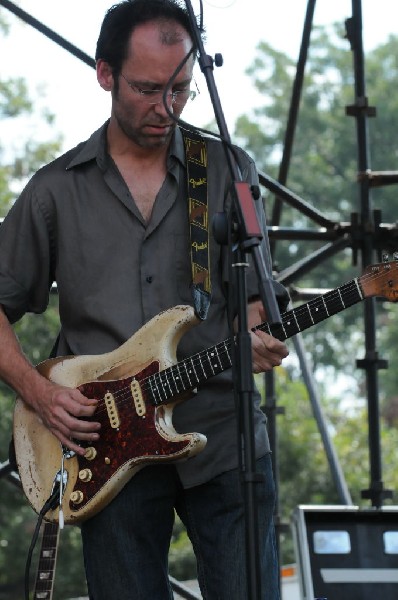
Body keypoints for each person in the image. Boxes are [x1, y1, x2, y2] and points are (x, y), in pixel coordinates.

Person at [0, 1, 289, 598]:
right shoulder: (56, 191)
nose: (166, 107)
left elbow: (260, 296)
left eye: (181, 89)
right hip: (107, 448)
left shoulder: (228, 169)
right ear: (105, 74)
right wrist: (40, 394)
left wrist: (259, 332)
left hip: (224, 438)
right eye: (147, 88)